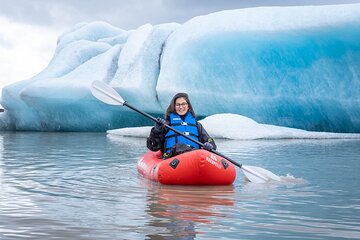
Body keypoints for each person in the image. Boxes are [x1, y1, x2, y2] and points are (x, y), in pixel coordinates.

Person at [147, 92, 216, 158]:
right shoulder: (167, 125)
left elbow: (209, 140)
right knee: (179, 147)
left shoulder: (197, 125)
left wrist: (209, 144)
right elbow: (153, 146)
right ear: (174, 107)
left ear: (188, 106)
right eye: (178, 105)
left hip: (194, 157)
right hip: (172, 158)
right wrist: (157, 129)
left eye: (183, 104)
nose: (181, 107)